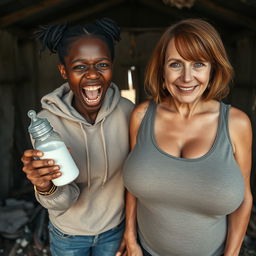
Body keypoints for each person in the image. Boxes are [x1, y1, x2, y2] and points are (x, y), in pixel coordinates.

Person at [121, 18, 253, 256]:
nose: (186, 77)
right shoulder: (141, 116)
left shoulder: (236, 123)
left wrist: (231, 255)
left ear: (213, 69)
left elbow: (244, 199)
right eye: (175, 64)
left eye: (199, 64)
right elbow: (133, 188)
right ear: (162, 69)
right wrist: (130, 239)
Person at [21, 18, 134, 256]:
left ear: (112, 66)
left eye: (102, 65)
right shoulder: (46, 124)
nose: (93, 75)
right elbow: (64, 198)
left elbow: (136, 179)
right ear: (64, 70)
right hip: (68, 234)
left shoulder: (128, 112)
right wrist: (45, 187)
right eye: (80, 67)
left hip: (114, 229)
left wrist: (131, 232)